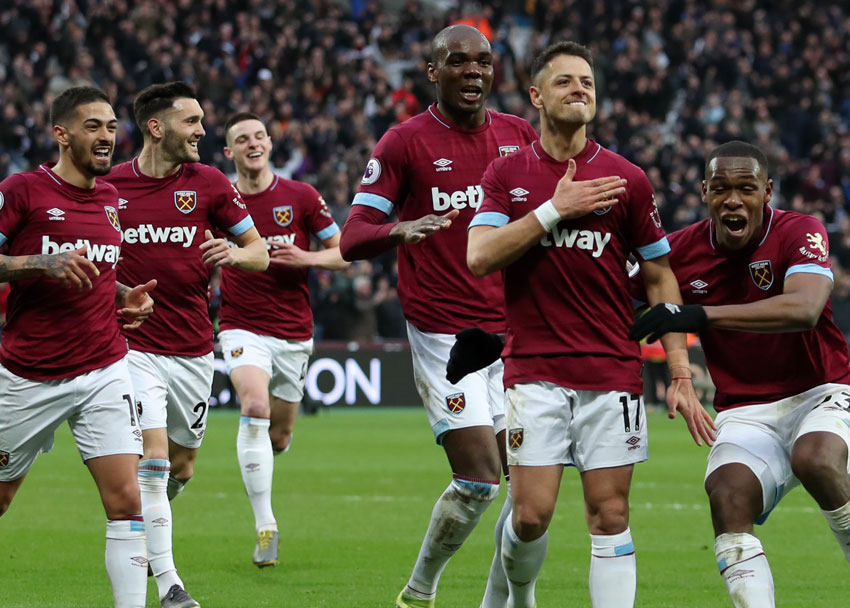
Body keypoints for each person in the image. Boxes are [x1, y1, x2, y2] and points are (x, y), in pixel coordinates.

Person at [466, 41, 716, 608]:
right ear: (536, 95)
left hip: (612, 371)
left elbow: (660, 278)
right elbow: (479, 256)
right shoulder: (509, 173)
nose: (580, 90)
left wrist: (680, 369)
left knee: (611, 514)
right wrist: (554, 210)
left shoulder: (626, 177)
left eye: (587, 82)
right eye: (564, 82)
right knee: (530, 517)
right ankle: (521, 596)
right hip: (534, 370)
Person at [628, 141, 850, 608]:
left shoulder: (800, 231)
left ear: (767, 191)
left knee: (815, 460)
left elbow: (805, 308)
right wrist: (505, 340)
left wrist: (702, 316)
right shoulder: (676, 253)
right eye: (721, 189)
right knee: (727, 496)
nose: (733, 200)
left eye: (746, 188)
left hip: (825, 390)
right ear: (705, 193)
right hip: (745, 410)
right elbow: (603, 304)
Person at [0, 86, 155, 608]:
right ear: (62, 133)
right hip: (30, 374)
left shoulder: (111, 199)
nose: (106, 137)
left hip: (103, 367)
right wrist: (39, 262)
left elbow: (94, 270)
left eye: (112, 126)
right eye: (93, 126)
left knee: (125, 500)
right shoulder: (22, 191)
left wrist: (123, 297)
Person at [338, 24, 537, 608]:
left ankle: (500, 602)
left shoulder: (518, 136)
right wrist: (400, 228)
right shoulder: (405, 142)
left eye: (483, 61)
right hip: (444, 335)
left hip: (513, 334)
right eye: (457, 61)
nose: (473, 71)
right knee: (479, 479)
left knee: (525, 489)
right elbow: (352, 237)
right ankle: (420, 591)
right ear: (432, 72)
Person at [103, 82, 269, 608]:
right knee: (152, 462)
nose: (202, 131)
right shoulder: (110, 189)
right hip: (133, 348)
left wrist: (233, 255)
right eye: (192, 121)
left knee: (181, 464)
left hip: (194, 349)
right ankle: (169, 583)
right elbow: (96, 263)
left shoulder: (211, 183)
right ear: (157, 127)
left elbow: (259, 252)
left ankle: (150, 525)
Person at [219, 111, 349, 567]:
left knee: (277, 436)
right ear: (228, 151)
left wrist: (306, 258)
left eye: (259, 136)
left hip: (292, 332)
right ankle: (265, 527)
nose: (252, 143)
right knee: (254, 406)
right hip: (239, 324)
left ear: (270, 143)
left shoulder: (300, 195)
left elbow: (344, 254)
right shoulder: (219, 197)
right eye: (242, 139)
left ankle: (270, 453)